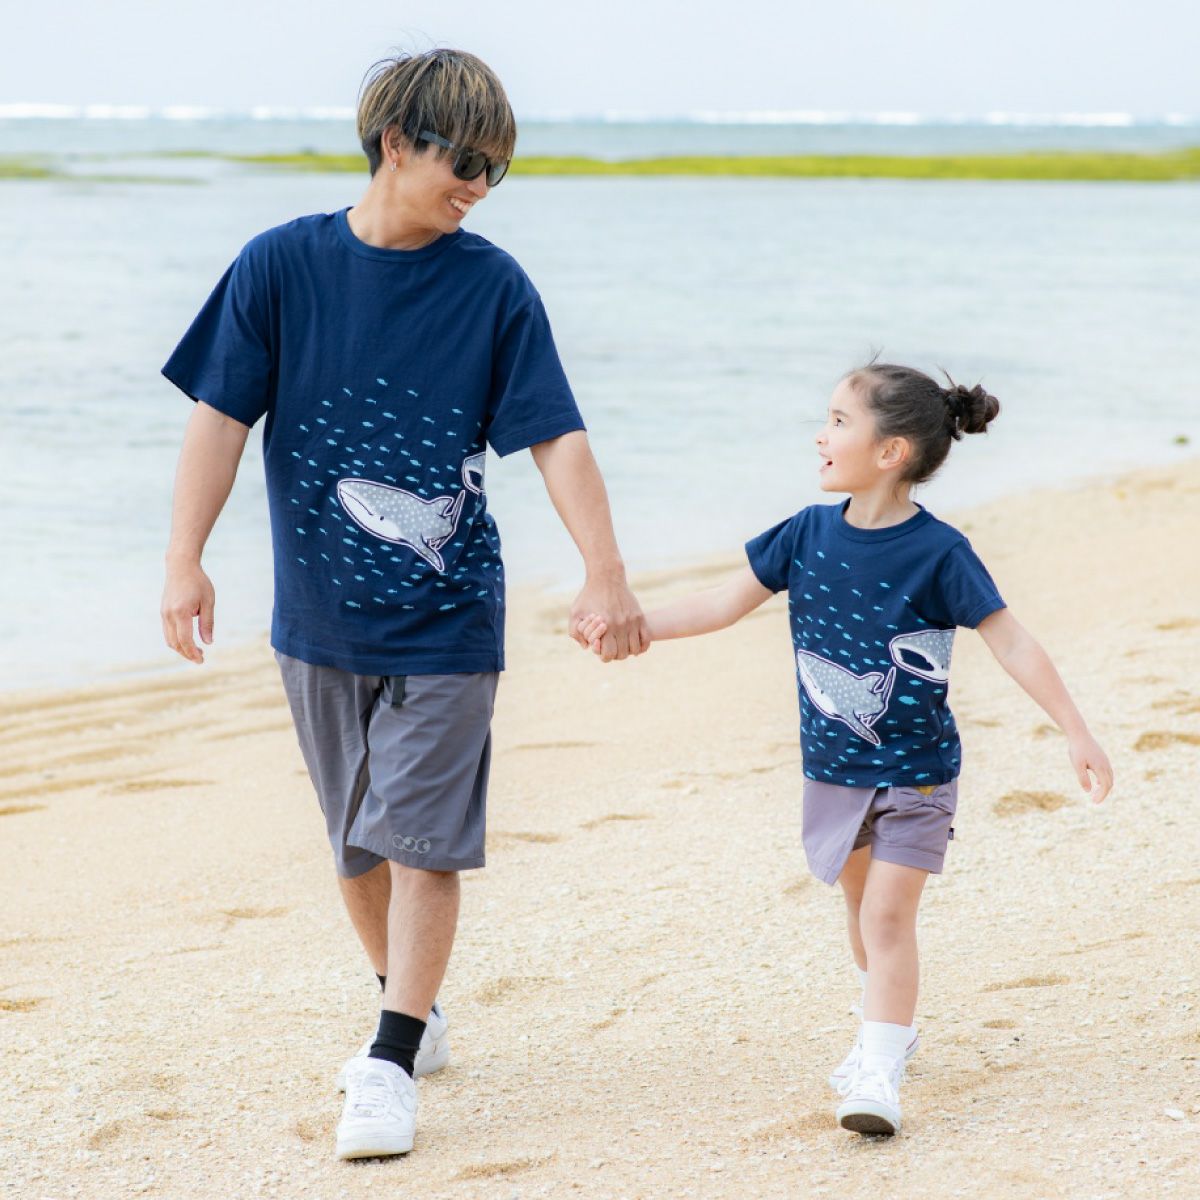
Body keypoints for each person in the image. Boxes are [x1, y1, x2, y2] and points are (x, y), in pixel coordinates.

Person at [160, 48, 648, 1161]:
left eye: (497, 170)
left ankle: (386, 1059)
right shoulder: (278, 266)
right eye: (466, 161)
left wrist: (605, 570)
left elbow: (557, 437)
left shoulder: (493, 287)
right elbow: (219, 421)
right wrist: (184, 559)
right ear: (395, 142)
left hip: (448, 617)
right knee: (356, 847)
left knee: (424, 842)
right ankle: (411, 1006)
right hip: (318, 618)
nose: (480, 186)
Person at [577, 361, 1113, 1137]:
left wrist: (1075, 729)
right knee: (863, 920)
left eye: (838, 421)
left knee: (889, 918)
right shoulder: (805, 533)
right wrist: (635, 628)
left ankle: (878, 1068)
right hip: (834, 771)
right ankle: (889, 1026)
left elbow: (1012, 640)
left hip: (917, 772)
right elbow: (722, 603)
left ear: (891, 452)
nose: (820, 436)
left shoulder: (940, 552)